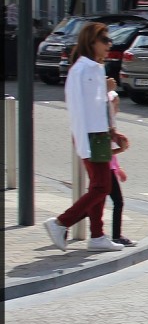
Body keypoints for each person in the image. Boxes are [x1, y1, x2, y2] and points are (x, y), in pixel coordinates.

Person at [44, 22, 130, 252]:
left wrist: (112, 131)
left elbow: (98, 108)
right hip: (91, 136)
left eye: (109, 41)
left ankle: (97, 235)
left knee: (98, 186)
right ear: (91, 42)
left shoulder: (92, 69)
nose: (108, 45)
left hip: (98, 135)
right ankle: (61, 222)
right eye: (105, 41)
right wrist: (106, 91)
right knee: (101, 187)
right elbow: (82, 109)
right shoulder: (84, 70)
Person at [105, 79, 136, 247]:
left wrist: (118, 168)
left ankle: (64, 224)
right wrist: (120, 151)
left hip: (109, 167)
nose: (118, 109)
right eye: (115, 106)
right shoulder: (107, 125)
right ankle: (116, 235)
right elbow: (106, 152)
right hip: (106, 167)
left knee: (95, 202)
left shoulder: (110, 126)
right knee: (117, 201)